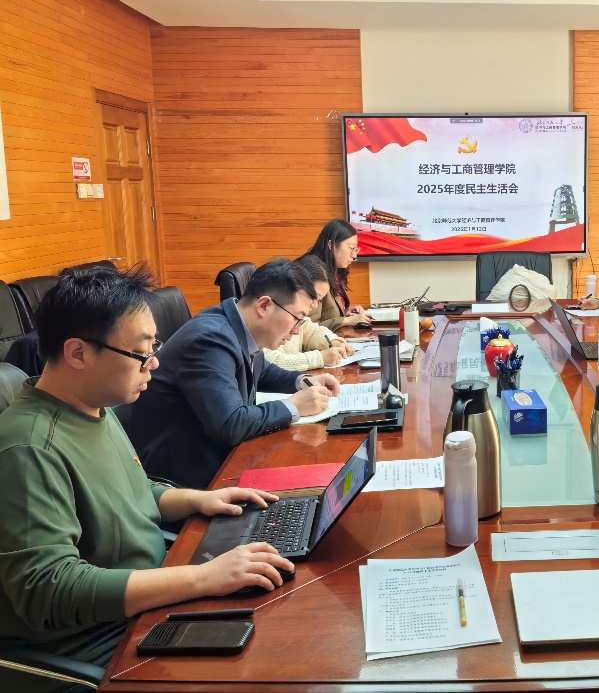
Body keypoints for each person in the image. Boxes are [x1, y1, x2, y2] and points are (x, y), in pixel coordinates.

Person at [0, 266, 295, 693]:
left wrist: (197, 499)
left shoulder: (94, 407)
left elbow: (133, 487)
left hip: (151, 591)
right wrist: (204, 578)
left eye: (153, 346)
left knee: (283, 611)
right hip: (98, 640)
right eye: (141, 352)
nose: (153, 363)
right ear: (78, 353)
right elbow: (49, 589)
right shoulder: (29, 448)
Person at [123, 259, 341, 490]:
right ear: (264, 305)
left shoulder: (237, 324)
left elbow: (262, 369)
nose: (297, 330)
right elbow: (231, 424)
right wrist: (293, 406)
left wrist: (302, 381)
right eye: (297, 318)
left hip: (219, 456)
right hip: (188, 477)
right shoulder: (210, 340)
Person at [263, 255, 354, 371]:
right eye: (313, 297)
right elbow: (271, 362)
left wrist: (333, 341)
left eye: (319, 300)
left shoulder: (297, 315)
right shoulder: (273, 314)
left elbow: (309, 330)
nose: (315, 305)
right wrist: (320, 358)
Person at [304, 219, 372, 332]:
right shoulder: (313, 273)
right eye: (351, 248)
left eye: (356, 249)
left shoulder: (334, 269)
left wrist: (345, 312)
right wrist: (345, 321)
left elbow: (326, 314)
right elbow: (307, 326)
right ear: (331, 245)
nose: (354, 255)